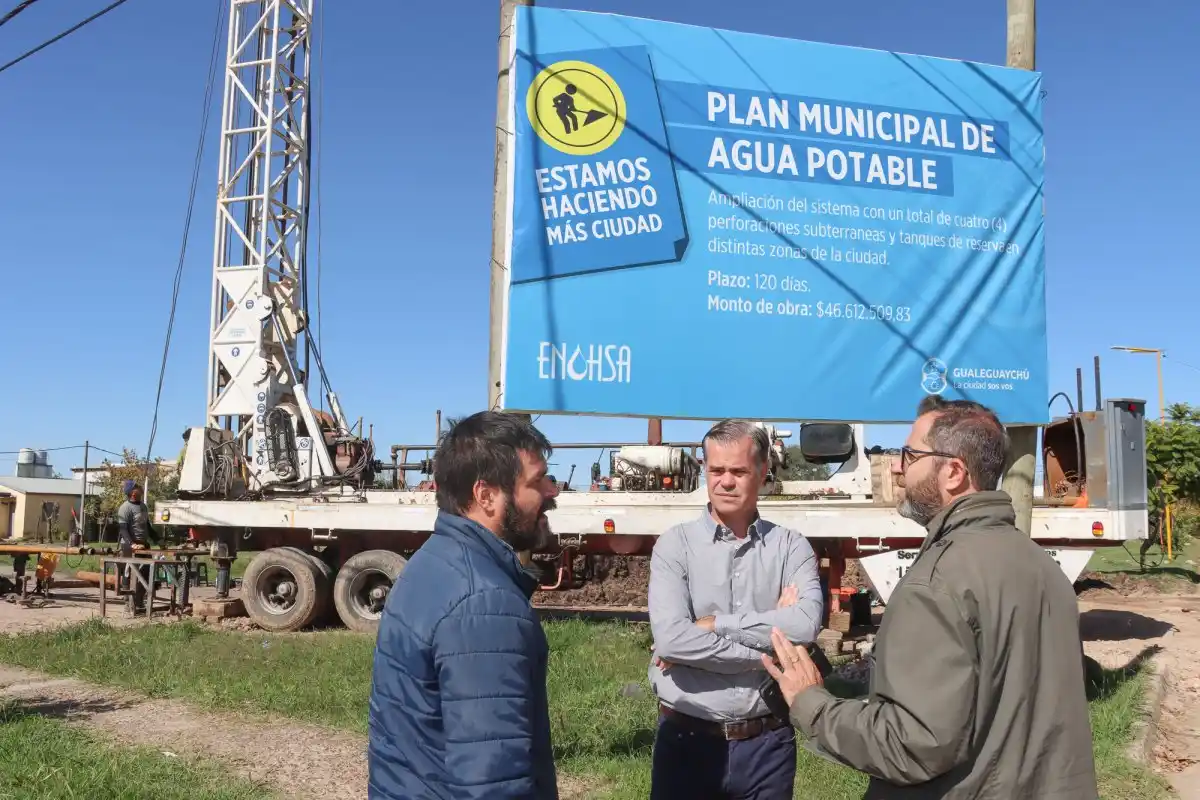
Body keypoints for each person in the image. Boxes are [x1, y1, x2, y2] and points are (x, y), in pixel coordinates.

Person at [761, 396, 1098, 799]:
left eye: (910, 455)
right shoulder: (1043, 566)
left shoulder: (935, 582)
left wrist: (809, 702)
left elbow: (911, 746)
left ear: (953, 472)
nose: (899, 467)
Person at [367, 411, 560, 800]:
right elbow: (493, 781)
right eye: (537, 481)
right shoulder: (485, 605)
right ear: (486, 496)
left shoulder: (432, 560)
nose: (552, 492)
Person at [647, 419, 824, 800]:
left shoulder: (791, 547)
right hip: (687, 739)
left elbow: (806, 624)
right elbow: (673, 641)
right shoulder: (674, 546)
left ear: (762, 473)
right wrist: (773, 647)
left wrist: (713, 626)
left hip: (767, 744)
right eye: (716, 470)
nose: (725, 481)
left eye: (739, 471)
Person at [116, 480, 160, 611]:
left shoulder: (143, 506)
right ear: (132, 493)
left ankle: (139, 601)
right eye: (136, 487)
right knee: (129, 573)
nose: (140, 488)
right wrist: (132, 544)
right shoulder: (125, 508)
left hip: (143, 545)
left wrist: (158, 540)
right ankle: (128, 603)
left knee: (145, 574)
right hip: (129, 546)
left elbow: (148, 527)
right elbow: (123, 529)